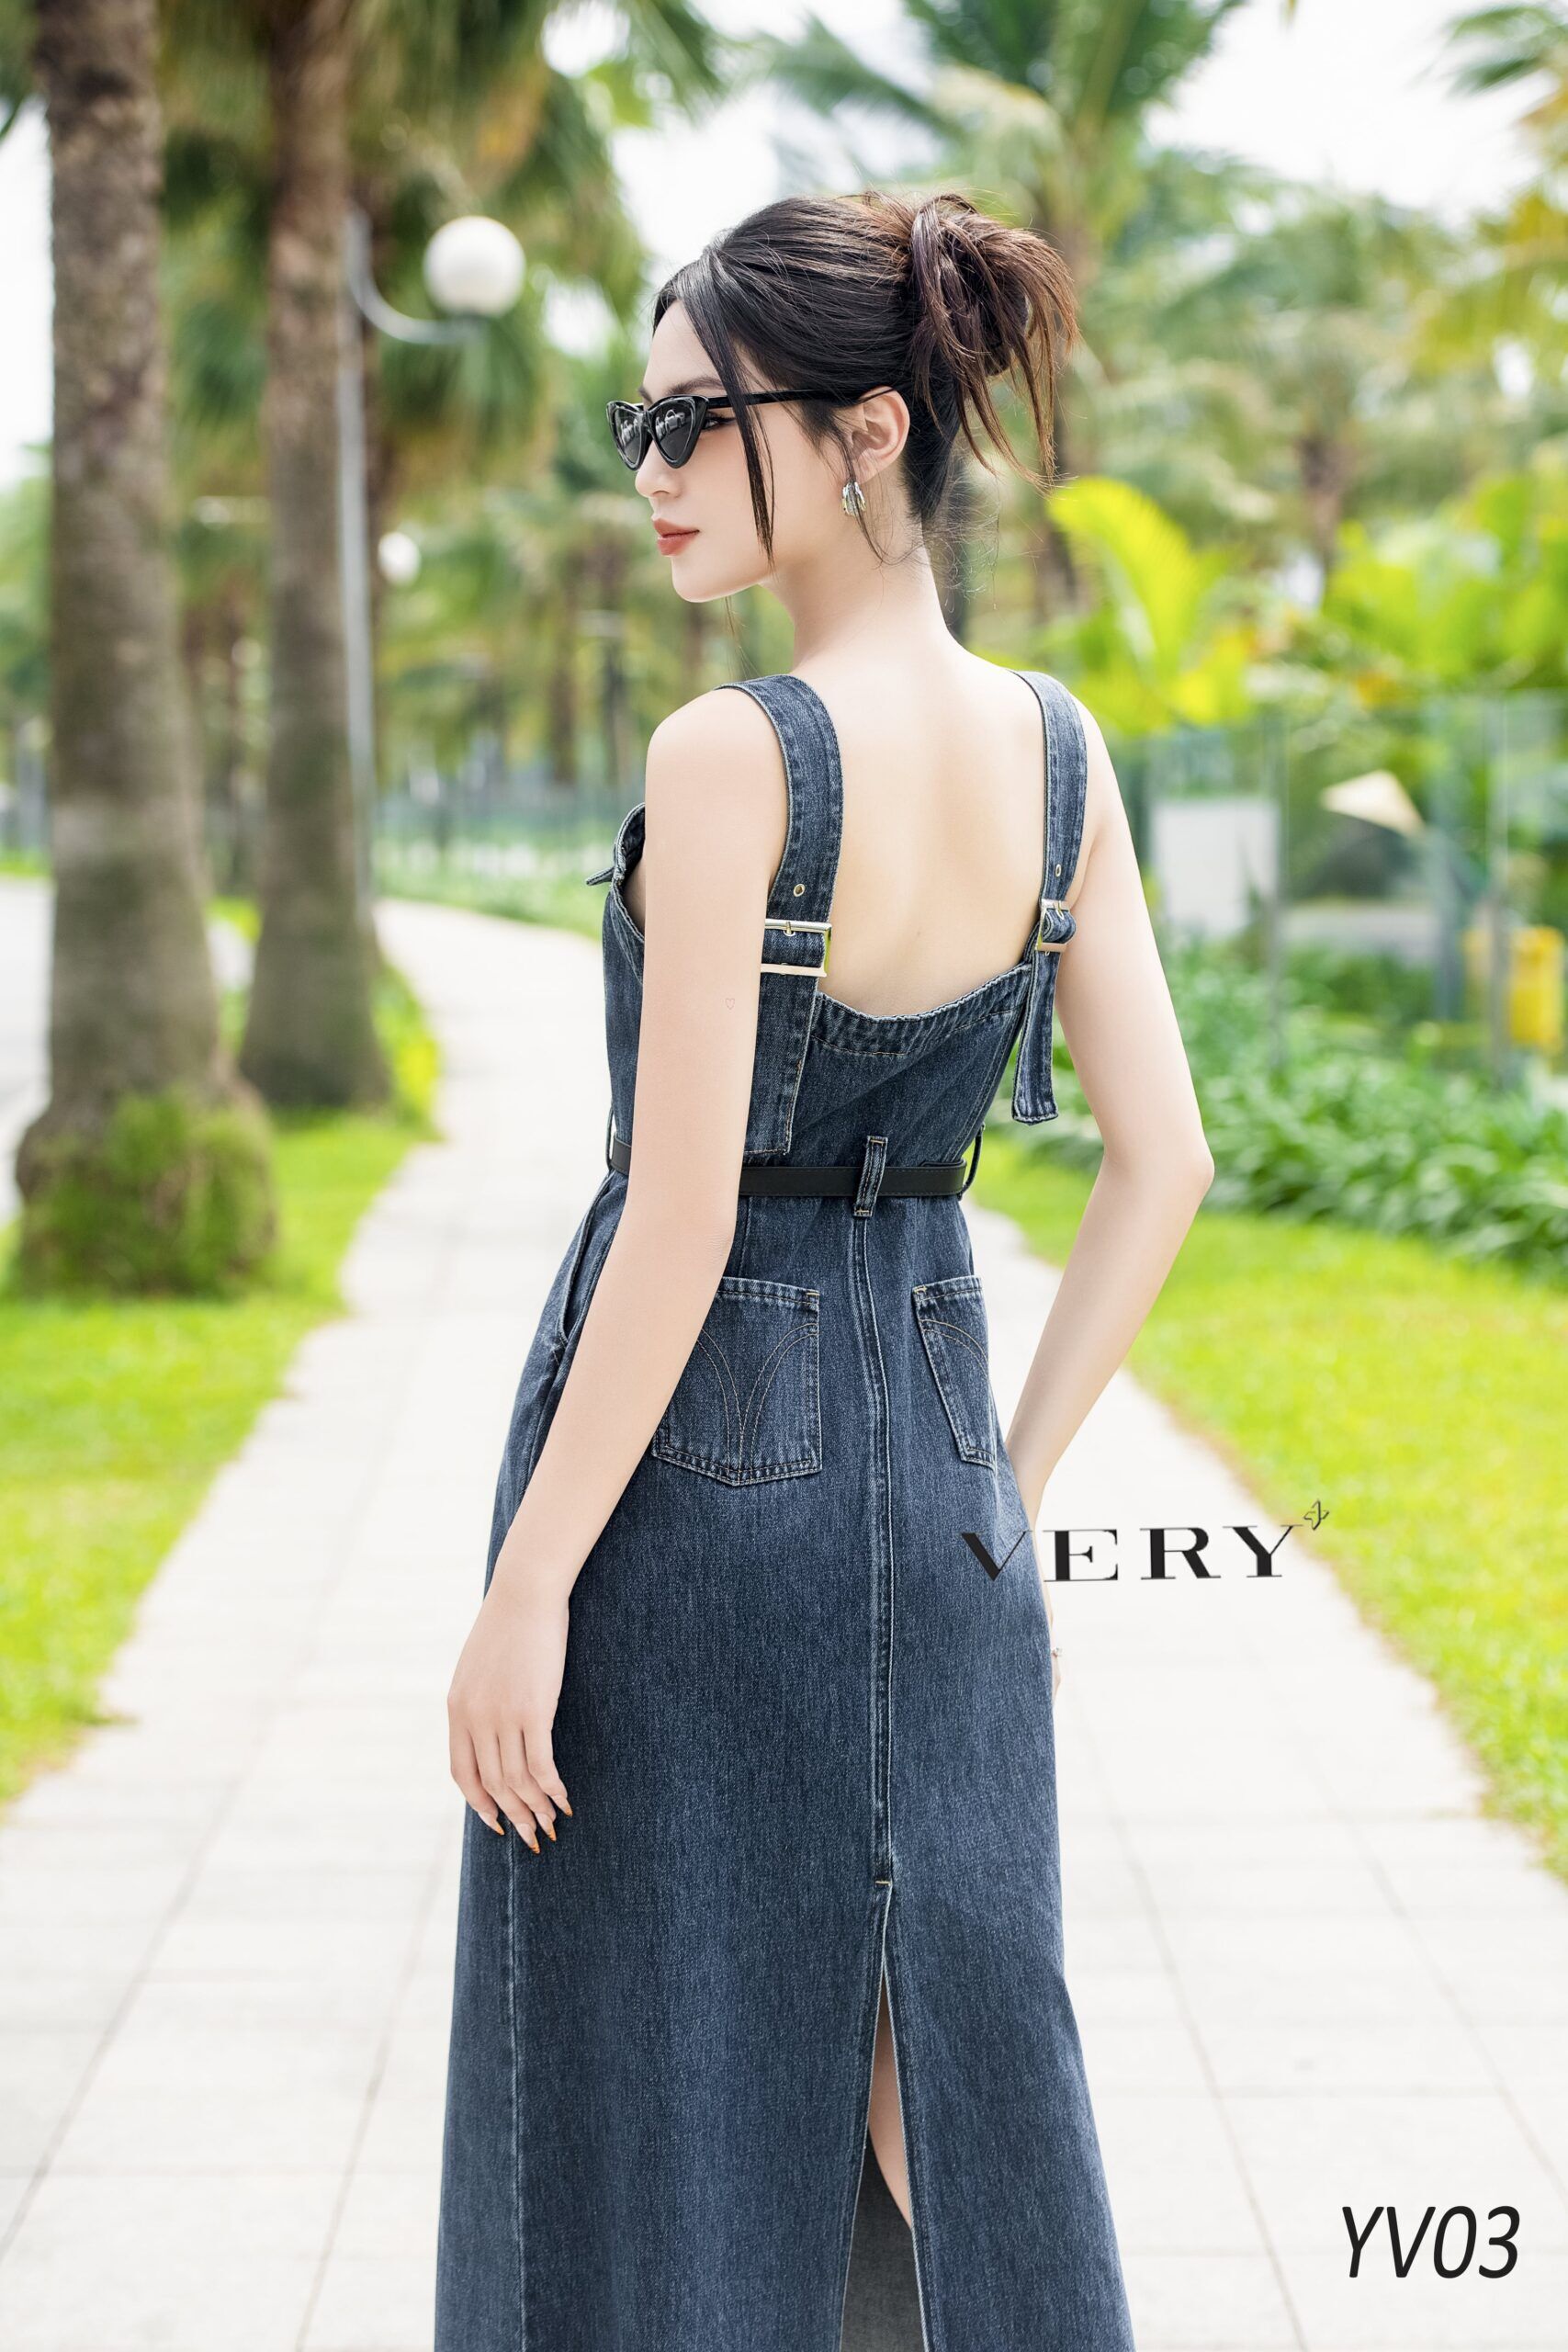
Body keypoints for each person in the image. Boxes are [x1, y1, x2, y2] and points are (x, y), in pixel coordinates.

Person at [434, 186, 1213, 2352]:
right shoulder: (1058, 755)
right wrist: (998, 1483)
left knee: (648, 2069)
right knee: (948, 2058)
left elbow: (682, 1221)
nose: (654, 469)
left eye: (697, 420)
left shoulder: (730, 755)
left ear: (866, 430)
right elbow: (1160, 1160)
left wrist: (526, 1584)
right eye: (641, 425)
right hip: (939, 1454)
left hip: (691, 1487)